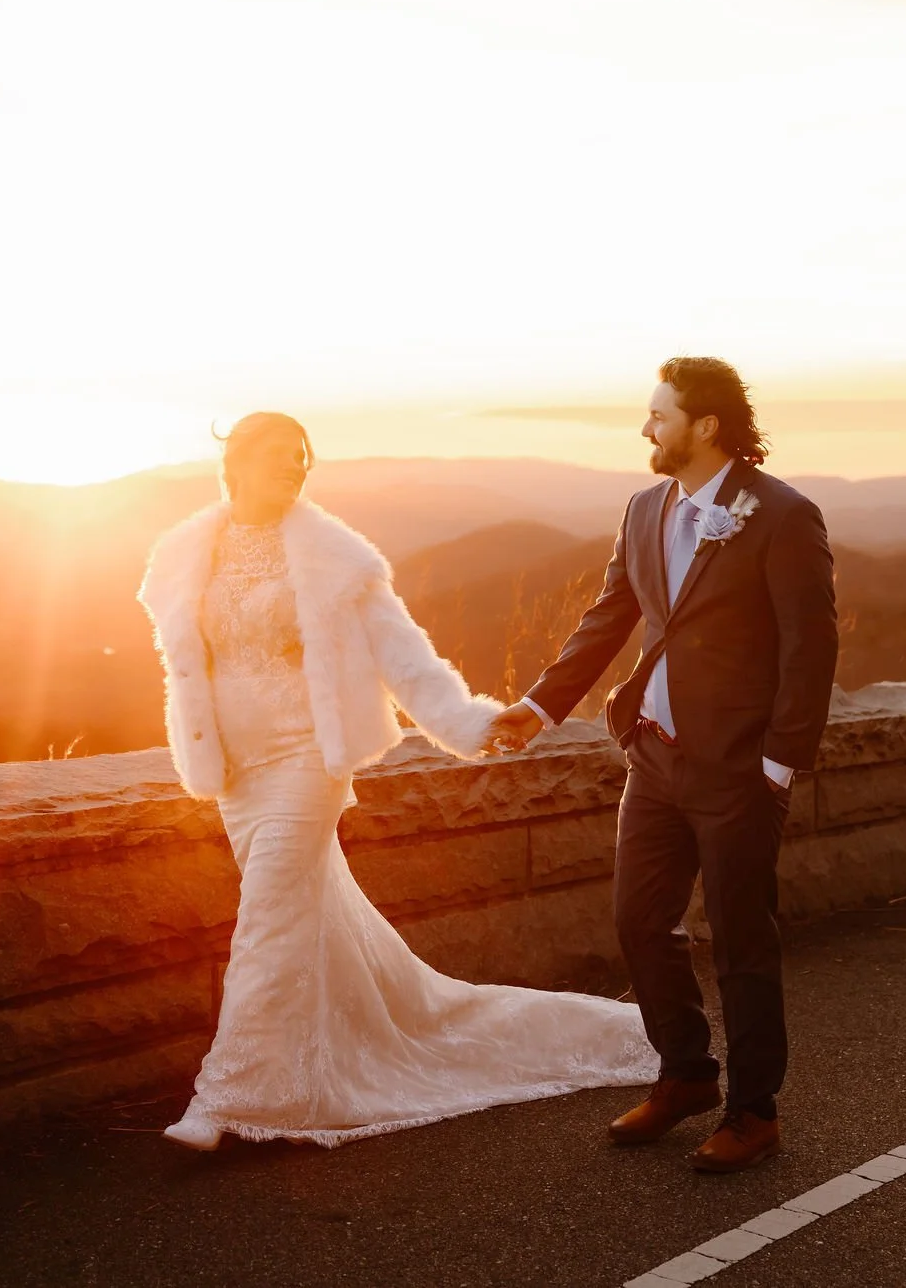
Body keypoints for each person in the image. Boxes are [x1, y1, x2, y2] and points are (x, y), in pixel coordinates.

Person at [141, 411, 657, 1150]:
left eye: (303, 458)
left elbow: (402, 656)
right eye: (282, 458)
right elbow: (186, 667)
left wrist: (473, 723)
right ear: (239, 463)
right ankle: (335, 1056)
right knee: (305, 923)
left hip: (304, 761)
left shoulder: (332, 556)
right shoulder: (186, 552)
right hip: (236, 773)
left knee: (265, 919)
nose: (296, 468)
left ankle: (228, 1098)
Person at [485, 357, 839, 1173]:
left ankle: (754, 1112)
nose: (645, 428)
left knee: (741, 941)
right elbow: (609, 615)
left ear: (704, 426)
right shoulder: (646, 508)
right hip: (654, 757)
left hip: (739, 771)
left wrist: (779, 768)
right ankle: (685, 1075)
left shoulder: (783, 515)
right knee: (640, 922)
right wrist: (538, 708)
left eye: (658, 415)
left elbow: (809, 648)